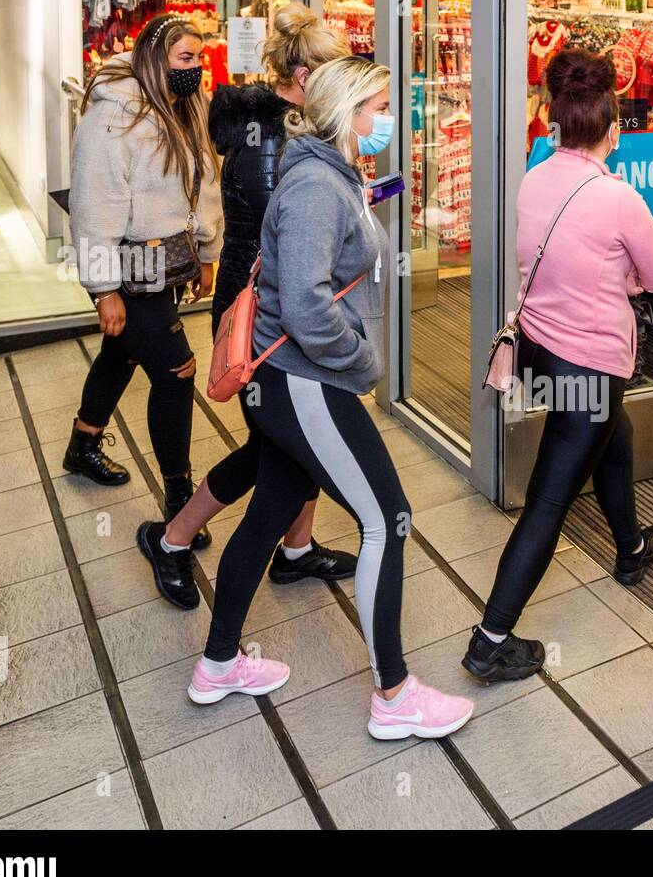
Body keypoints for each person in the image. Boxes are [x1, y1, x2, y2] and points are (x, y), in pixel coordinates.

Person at [188, 56, 474, 741]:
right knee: (389, 518)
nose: (388, 120)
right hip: (304, 380)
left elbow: (327, 242)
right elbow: (310, 306)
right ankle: (395, 695)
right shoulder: (317, 184)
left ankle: (218, 663)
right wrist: (362, 361)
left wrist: (390, 202)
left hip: (286, 381)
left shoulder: (326, 171)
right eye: (378, 106)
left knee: (269, 513)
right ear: (349, 113)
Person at [460, 48, 653, 684]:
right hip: (590, 362)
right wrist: (624, 275)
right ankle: (490, 637)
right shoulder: (618, 198)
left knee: (615, 434)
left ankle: (630, 546)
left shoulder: (535, 176)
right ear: (614, 128)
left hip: (542, 351)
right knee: (550, 500)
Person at [137, 4, 356, 609]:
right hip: (265, 309)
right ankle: (173, 537)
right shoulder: (285, 142)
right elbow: (289, 237)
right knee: (276, 446)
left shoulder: (274, 127)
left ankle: (295, 550)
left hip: (268, 301)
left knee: (294, 441)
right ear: (309, 77)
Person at [64, 14, 223, 554]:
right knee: (177, 373)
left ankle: (82, 445)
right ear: (156, 59)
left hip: (168, 263)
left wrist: (207, 250)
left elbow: (203, 181)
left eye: (199, 59)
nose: (195, 70)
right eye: (185, 59)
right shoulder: (112, 118)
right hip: (130, 270)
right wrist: (103, 288)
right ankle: (179, 498)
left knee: (123, 353)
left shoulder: (182, 106)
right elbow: (92, 206)